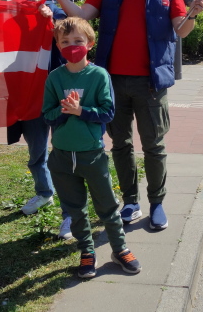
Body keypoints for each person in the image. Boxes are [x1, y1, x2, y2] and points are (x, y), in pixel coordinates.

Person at [44, 0, 203, 231]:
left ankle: (157, 203)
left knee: (154, 146)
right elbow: (82, 15)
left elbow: (181, 29)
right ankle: (130, 201)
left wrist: (194, 14)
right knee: (120, 144)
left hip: (151, 83)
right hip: (113, 82)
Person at [43, 17, 141, 278]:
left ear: (90, 43)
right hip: (62, 157)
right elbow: (47, 115)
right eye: (65, 42)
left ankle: (119, 249)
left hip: (92, 155)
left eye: (78, 40)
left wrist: (81, 110)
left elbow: (108, 113)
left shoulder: (99, 75)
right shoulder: (55, 78)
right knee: (75, 210)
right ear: (58, 45)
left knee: (107, 206)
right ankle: (87, 251)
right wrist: (64, 110)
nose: (72, 46)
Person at [5, 0, 73, 239]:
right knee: (36, 154)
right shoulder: (7, 17)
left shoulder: (55, 13)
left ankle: (70, 213)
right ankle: (44, 192)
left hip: (56, 94)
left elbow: (72, 39)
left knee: (64, 154)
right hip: (28, 96)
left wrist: (52, 21)